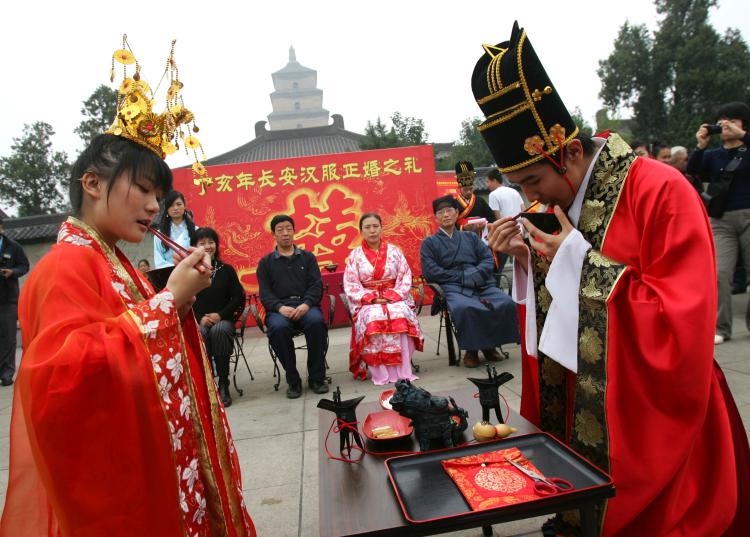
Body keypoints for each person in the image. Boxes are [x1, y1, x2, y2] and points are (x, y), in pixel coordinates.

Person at [481, 22, 748, 536]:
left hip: (660, 411)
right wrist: (528, 260)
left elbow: (682, 318)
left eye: (535, 181)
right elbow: (565, 293)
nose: (535, 197)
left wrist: (576, 263)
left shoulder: (660, 191)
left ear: (573, 153)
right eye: (521, 186)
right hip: (595, 392)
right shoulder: (560, 202)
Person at [0, 39, 256, 536]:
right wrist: (168, 303)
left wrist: (175, 302)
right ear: (92, 184)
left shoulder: (115, 261)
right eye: (142, 190)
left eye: (159, 196)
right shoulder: (65, 266)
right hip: (125, 480)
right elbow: (58, 379)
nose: (154, 207)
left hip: (164, 458)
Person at [420, 196, 520, 368]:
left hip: (480, 282)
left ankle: (490, 346)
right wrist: (462, 278)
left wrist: (475, 274)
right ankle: (471, 351)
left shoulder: (471, 238)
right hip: (453, 287)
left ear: (457, 213)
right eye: (441, 212)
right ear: (435, 218)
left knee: (506, 302)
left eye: (449, 210)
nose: (445, 215)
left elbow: (488, 259)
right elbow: (431, 271)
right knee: (464, 308)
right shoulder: (429, 243)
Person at [687, 101, 750, 345]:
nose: (727, 126)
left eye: (733, 121)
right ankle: (721, 327)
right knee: (720, 273)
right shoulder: (713, 156)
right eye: (722, 121)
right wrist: (701, 145)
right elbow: (692, 171)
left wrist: (743, 136)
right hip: (721, 220)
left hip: (747, 215)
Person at [343, 212, 423, 384]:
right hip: (368, 301)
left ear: (381, 228)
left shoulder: (395, 251)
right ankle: (380, 372)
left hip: (393, 297)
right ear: (361, 231)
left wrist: (391, 295)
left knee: (400, 313)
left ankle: (403, 369)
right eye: (367, 227)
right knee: (373, 317)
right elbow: (351, 284)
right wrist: (371, 297)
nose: (372, 231)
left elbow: (405, 277)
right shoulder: (355, 256)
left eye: (375, 226)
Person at [256, 215, 328, 398]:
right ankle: (293, 380)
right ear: (273, 234)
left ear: (294, 231)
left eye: (289, 229)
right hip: (280, 309)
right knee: (278, 328)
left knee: (316, 322)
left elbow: (315, 286)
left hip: (305, 306)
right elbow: (265, 294)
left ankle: (317, 378)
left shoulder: (308, 257)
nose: (285, 233)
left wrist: (306, 304)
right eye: (280, 230)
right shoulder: (265, 264)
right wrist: (280, 308)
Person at [192, 227, 246, 408]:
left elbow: (238, 297)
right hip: (199, 321)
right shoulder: (189, 272)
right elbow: (184, 299)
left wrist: (220, 315)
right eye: (202, 243)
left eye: (211, 242)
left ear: (216, 245)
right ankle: (207, 385)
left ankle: (223, 383)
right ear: (194, 247)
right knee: (200, 332)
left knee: (220, 329)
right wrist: (200, 317)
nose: (207, 246)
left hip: (223, 320)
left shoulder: (226, 270)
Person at [0, 219, 29, 386]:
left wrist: (13, 272)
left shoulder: (13, 246)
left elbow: (24, 265)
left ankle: (7, 373)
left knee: (9, 337)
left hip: (8, 299)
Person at [487, 169, 525, 272]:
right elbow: (523, 210)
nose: (487, 185)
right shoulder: (514, 191)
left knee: (499, 268)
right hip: (520, 232)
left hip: (505, 234)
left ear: (494, 180)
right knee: (521, 267)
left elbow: (497, 217)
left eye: (488, 181)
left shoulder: (493, 195)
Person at [454, 160, 495, 243]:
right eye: (465, 189)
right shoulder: (454, 203)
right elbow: (450, 224)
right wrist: (463, 227)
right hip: (462, 239)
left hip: (481, 236)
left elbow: (491, 217)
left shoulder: (480, 201)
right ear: (459, 188)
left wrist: (486, 224)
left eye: (471, 189)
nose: (469, 192)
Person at [153, 190, 197, 268]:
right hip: (169, 275)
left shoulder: (196, 231)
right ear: (167, 209)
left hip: (192, 273)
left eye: (179, 204)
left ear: (184, 206)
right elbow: (159, 262)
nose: (175, 208)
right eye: (171, 205)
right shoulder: (159, 235)